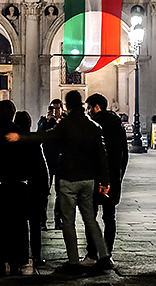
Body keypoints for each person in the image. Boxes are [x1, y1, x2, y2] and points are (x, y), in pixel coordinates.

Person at [7, 90, 110, 274]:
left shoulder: (66, 124)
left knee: (68, 221)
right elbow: (102, 156)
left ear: (67, 105)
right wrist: (105, 181)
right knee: (91, 220)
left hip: (69, 179)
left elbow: (45, 136)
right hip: (89, 179)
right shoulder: (94, 126)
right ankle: (103, 256)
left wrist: (20, 136)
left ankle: (73, 261)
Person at [0, 99, 29, 276]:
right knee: (17, 223)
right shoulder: (17, 131)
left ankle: (0, 261)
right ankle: (17, 261)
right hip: (16, 183)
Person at [86, 94, 129, 262]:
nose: (88, 111)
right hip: (114, 177)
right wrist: (118, 176)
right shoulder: (118, 126)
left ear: (97, 107)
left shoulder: (95, 125)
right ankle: (107, 253)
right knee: (109, 217)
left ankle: (92, 253)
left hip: (97, 178)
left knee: (91, 216)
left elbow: (93, 154)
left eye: (89, 108)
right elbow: (124, 155)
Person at [14, 111, 49, 267]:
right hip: (34, 186)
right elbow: (42, 167)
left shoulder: (13, 141)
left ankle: (19, 256)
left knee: (17, 224)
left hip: (18, 186)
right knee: (35, 225)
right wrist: (45, 188)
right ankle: (36, 256)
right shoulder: (34, 142)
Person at [38, 98, 63, 228]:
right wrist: (48, 121)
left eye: (58, 108)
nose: (56, 111)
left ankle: (58, 220)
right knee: (44, 191)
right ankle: (42, 220)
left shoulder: (64, 122)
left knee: (61, 193)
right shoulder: (44, 121)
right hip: (47, 159)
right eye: (53, 109)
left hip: (61, 161)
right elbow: (40, 134)